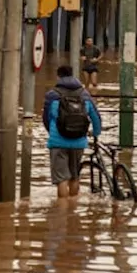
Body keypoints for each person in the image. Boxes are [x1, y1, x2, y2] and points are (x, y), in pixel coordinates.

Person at [43, 65, 103, 201]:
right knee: (74, 176)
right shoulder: (84, 94)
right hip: (78, 142)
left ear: (58, 76)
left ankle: (63, 212)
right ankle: (73, 211)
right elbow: (96, 118)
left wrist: (52, 133)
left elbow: (46, 118)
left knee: (61, 179)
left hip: (57, 142)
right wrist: (95, 133)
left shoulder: (52, 95)